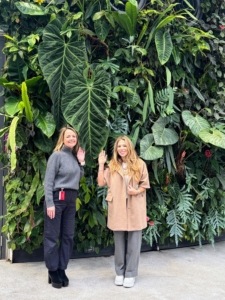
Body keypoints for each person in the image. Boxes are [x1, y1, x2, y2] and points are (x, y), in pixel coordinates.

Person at [97, 136, 150, 288]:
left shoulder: (140, 164)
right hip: (117, 206)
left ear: (129, 147)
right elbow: (101, 183)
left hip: (135, 206)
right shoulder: (112, 165)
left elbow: (145, 184)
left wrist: (136, 191)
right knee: (119, 243)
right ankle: (119, 272)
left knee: (134, 242)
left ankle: (131, 273)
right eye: (119, 146)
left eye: (124, 146)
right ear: (116, 149)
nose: (121, 149)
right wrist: (101, 165)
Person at [44, 126, 85, 289]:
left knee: (68, 235)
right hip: (57, 198)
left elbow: (78, 178)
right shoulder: (57, 156)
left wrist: (81, 162)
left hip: (70, 199)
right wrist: (50, 203)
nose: (71, 139)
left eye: (74, 137)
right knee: (52, 236)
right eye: (68, 136)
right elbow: (48, 181)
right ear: (62, 138)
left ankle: (62, 268)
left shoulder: (74, 157)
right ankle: (52, 270)